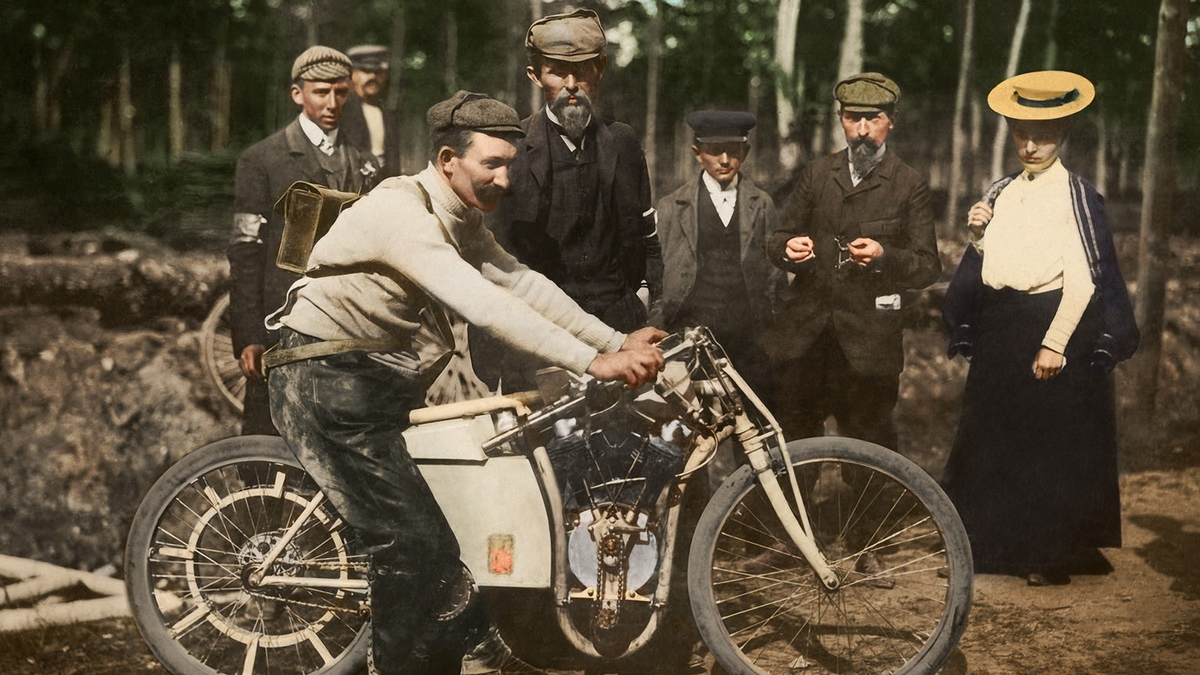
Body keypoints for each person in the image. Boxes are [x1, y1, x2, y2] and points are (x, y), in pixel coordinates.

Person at [264, 90, 665, 675]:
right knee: (408, 545)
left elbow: (518, 282)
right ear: (448, 159)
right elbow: (482, 303)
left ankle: (455, 656)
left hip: (369, 379)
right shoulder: (403, 212)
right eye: (491, 165)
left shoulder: (458, 214)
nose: (505, 179)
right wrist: (591, 363)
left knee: (444, 540)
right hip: (321, 377)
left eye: (510, 164)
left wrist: (614, 341)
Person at [941, 71, 1139, 586]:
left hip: (1051, 325)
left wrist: (1054, 344)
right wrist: (979, 237)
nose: (1030, 146)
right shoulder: (1002, 190)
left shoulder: (1075, 196)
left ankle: (1045, 554)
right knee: (995, 436)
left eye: (1043, 136)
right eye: (1021, 134)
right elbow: (992, 271)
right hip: (1001, 327)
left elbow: (1085, 282)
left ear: (1065, 133)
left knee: (1045, 445)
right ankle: (994, 547)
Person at [480, 8, 662, 391]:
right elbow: (489, 257)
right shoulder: (513, 149)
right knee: (547, 446)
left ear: (601, 70)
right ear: (535, 75)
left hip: (619, 325)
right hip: (539, 336)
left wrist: (644, 302)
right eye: (557, 71)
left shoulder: (624, 142)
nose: (571, 84)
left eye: (583, 70)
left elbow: (647, 237)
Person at [764, 72, 941, 451]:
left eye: (873, 118)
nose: (861, 130)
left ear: (892, 120)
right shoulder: (817, 174)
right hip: (806, 342)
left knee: (870, 454)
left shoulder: (909, 184)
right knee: (793, 448)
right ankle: (794, 512)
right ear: (841, 118)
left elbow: (928, 266)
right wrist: (788, 250)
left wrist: (883, 256)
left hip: (868, 347)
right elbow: (777, 240)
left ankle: (871, 511)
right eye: (852, 118)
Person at [228, 45, 378, 435]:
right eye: (321, 91)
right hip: (283, 323)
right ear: (298, 94)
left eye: (341, 92)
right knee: (270, 442)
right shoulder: (263, 159)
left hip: (348, 325)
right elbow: (245, 252)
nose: (333, 102)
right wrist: (249, 336)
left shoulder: (365, 162)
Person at [651, 110, 786, 405]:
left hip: (749, 338)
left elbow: (775, 276)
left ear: (745, 153)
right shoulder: (673, 206)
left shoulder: (761, 204)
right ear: (697, 154)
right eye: (714, 151)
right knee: (686, 424)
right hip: (689, 338)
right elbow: (657, 277)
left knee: (753, 426)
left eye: (733, 151)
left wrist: (775, 337)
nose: (725, 160)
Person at [342, 44, 402, 177]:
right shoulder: (341, 110)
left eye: (378, 72)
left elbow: (393, 161)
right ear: (353, 74)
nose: (373, 77)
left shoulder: (388, 112)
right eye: (366, 71)